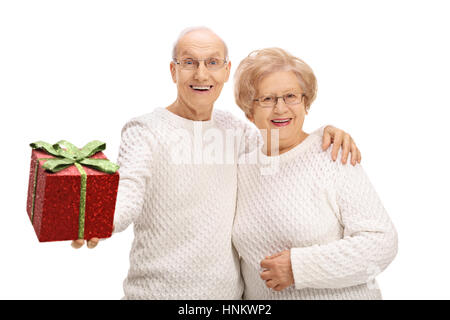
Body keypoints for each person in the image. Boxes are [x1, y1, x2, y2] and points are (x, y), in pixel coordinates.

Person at [71, 27, 361, 300]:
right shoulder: (144, 131)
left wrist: (324, 134)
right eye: (189, 62)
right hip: (157, 293)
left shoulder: (235, 130)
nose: (201, 74)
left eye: (212, 62)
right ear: (173, 71)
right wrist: (100, 221)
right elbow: (127, 191)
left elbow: (282, 142)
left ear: (226, 71)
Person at [232, 47, 398, 300]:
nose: (281, 108)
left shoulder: (332, 154)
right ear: (249, 112)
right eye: (267, 99)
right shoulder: (241, 169)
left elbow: (381, 242)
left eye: (291, 96)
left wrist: (299, 268)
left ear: (306, 103)